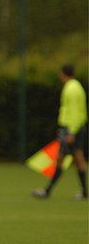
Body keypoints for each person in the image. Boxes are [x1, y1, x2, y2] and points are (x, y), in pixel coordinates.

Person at [32, 64, 87, 199]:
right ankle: (84, 192)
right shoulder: (77, 86)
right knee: (78, 159)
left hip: (71, 129)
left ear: (63, 74)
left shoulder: (71, 89)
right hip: (76, 127)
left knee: (62, 159)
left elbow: (73, 112)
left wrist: (71, 132)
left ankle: (47, 191)